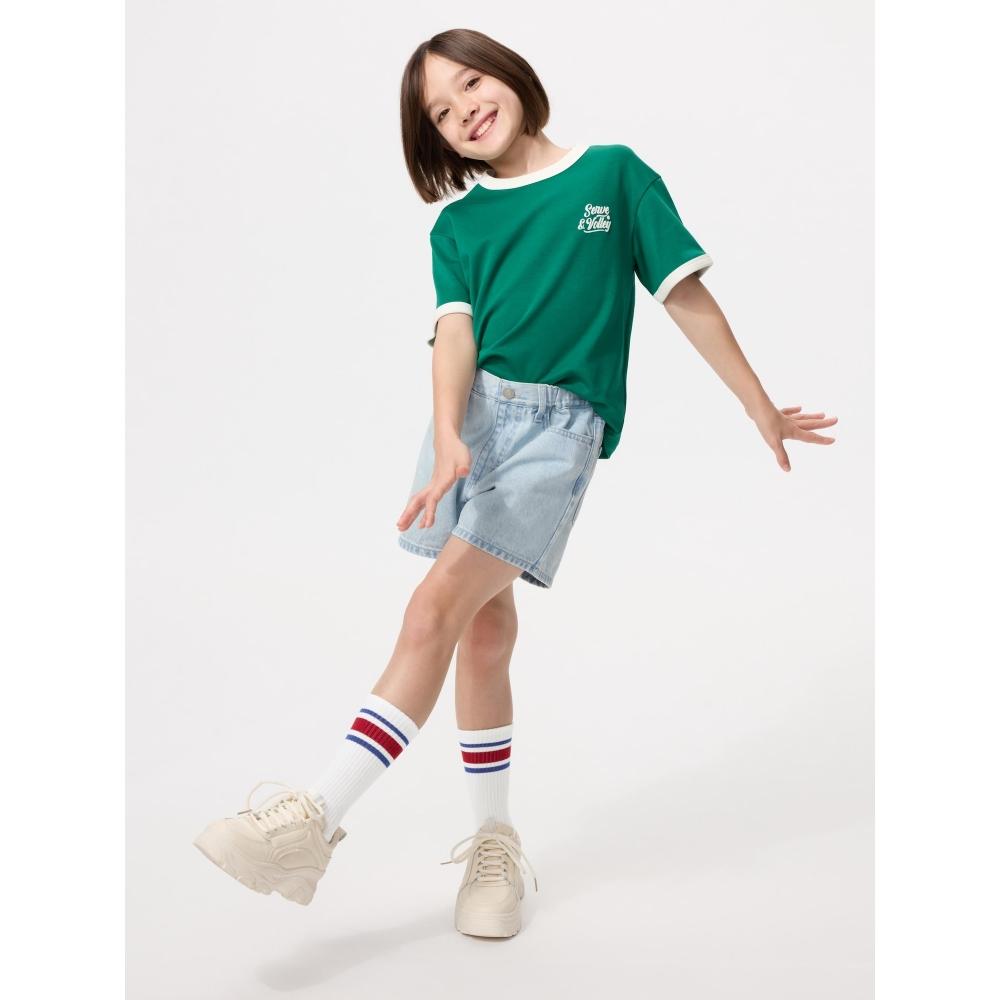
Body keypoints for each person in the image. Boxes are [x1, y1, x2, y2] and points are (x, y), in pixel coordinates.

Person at [193, 27, 838, 939]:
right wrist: (449, 439)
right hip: (470, 426)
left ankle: (312, 821)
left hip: (555, 433)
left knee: (432, 610)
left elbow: (683, 296)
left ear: (509, 75)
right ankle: (492, 844)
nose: (464, 111)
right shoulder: (456, 227)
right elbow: (454, 335)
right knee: (484, 632)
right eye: (440, 113)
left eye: (470, 84)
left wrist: (758, 405)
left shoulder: (612, 175)